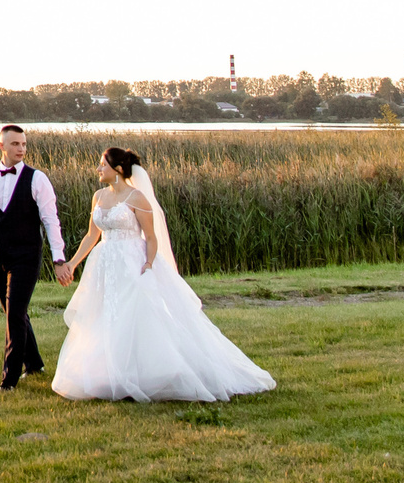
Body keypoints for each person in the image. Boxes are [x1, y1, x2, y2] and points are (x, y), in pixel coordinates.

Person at [53, 147, 275, 404]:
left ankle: (144, 373)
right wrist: (72, 263)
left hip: (131, 262)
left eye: (102, 164)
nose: (98, 169)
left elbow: (151, 237)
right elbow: (92, 236)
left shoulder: (137, 199)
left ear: (119, 170)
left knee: (133, 315)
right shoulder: (99, 196)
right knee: (105, 315)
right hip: (104, 265)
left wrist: (148, 264)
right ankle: (109, 373)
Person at [0, 123, 74, 390]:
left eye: (23, 144)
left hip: (26, 255)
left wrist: (59, 259)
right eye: (15, 144)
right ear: (2, 146)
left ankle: (9, 380)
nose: (21, 149)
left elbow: (50, 221)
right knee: (13, 311)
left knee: (14, 314)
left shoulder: (37, 179)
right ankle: (34, 363)